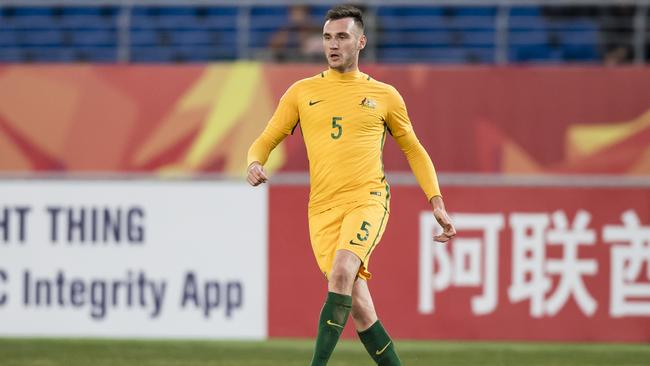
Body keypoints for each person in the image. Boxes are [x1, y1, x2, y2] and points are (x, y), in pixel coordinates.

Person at [247, 5, 456, 366]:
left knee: (343, 270)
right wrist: (254, 162)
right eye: (327, 37)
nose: (333, 44)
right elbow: (265, 139)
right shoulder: (301, 92)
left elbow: (414, 149)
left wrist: (436, 201)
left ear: (361, 42)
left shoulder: (385, 96)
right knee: (359, 307)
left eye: (342, 37)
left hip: (367, 199)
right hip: (322, 210)